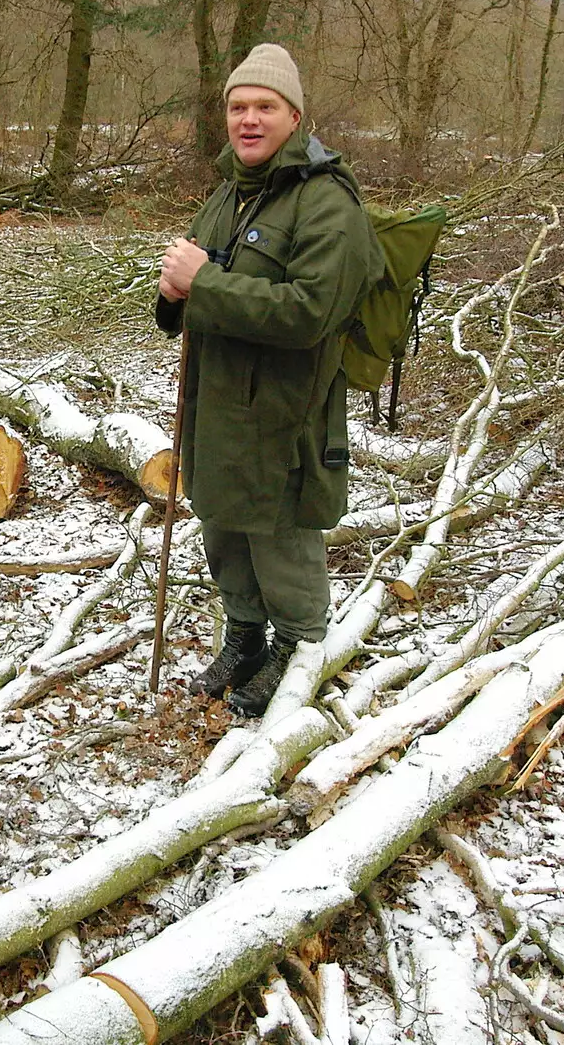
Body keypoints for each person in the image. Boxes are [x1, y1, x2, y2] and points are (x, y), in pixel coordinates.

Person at [155, 44, 384, 719]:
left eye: (265, 107)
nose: (248, 120)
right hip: (218, 402)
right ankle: (247, 638)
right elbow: (194, 287)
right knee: (224, 525)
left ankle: (299, 646)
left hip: (285, 409)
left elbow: (311, 312)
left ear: (296, 116)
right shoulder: (230, 192)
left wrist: (204, 282)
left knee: (279, 535)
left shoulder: (326, 203)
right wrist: (173, 292)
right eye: (238, 106)